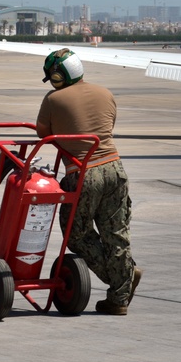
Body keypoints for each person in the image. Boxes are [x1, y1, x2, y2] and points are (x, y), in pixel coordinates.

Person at [36, 48, 141, 315]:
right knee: (116, 234)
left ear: (59, 76)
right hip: (115, 168)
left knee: (76, 232)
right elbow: (108, 127)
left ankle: (122, 279)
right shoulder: (106, 93)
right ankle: (119, 298)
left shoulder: (53, 99)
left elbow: (42, 133)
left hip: (83, 173)